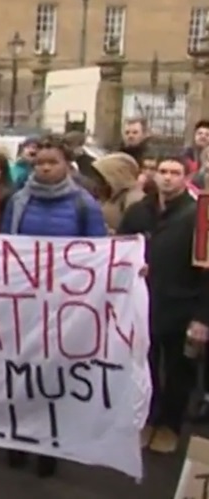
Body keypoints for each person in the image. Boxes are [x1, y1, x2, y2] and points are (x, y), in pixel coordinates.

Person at [1, 134, 107, 477]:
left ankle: (49, 445)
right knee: (19, 370)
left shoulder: (84, 204)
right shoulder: (18, 201)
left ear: (66, 165)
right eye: (40, 164)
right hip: (24, 300)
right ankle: (17, 438)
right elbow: (4, 247)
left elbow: (99, 253)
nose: (45, 168)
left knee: (53, 374)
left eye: (52, 163)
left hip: (65, 304)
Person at [120, 157, 204, 455]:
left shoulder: (198, 215)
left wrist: (202, 318)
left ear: (186, 177)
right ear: (154, 175)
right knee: (147, 366)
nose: (167, 178)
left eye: (175, 173)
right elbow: (120, 248)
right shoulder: (138, 211)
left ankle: (171, 425)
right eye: (163, 172)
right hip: (144, 304)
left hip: (183, 305)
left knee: (180, 371)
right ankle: (150, 418)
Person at [89, 152, 145, 234]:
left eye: (102, 177)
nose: (97, 181)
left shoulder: (134, 199)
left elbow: (135, 234)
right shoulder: (108, 196)